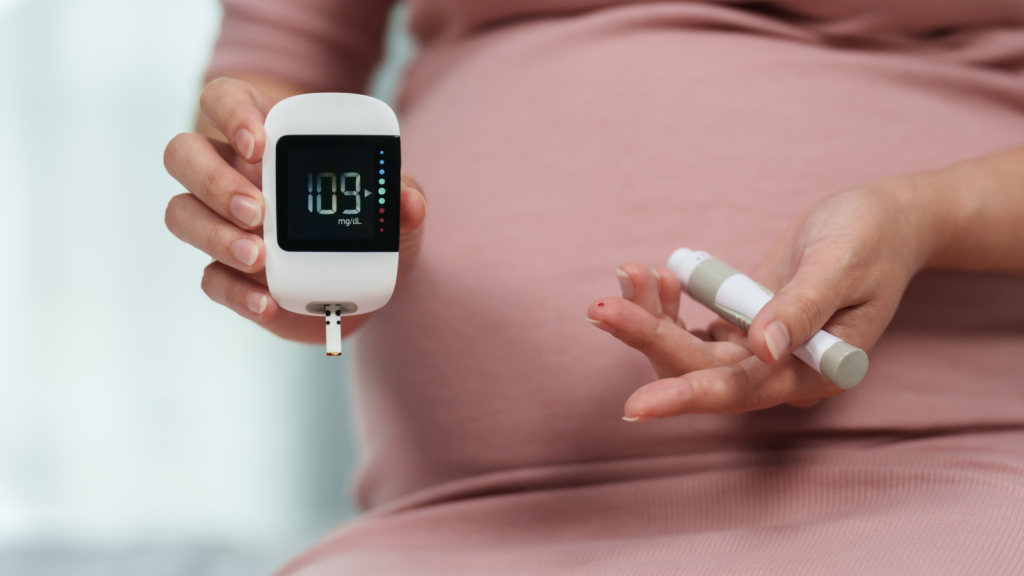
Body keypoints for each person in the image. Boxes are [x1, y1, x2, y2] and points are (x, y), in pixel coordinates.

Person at [164, 1, 1024, 573]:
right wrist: (256, 200)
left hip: (945, 472)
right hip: (464, 522)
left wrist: (924, 215)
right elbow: (274, 66)